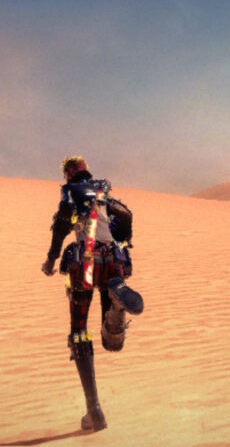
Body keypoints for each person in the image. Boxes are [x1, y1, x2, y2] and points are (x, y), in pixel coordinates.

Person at [41, 155, 143, 432]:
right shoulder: (102, 192)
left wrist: (51, 258)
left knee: (79, 333)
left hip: (85, 262)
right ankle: (116, 308)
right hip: (113, 262)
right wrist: (123, 243)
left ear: (67, 174)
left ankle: (94, 411)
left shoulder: (71, 191)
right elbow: (125, 216)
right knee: (112, 342)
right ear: (86, 171)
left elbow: (62, 221)